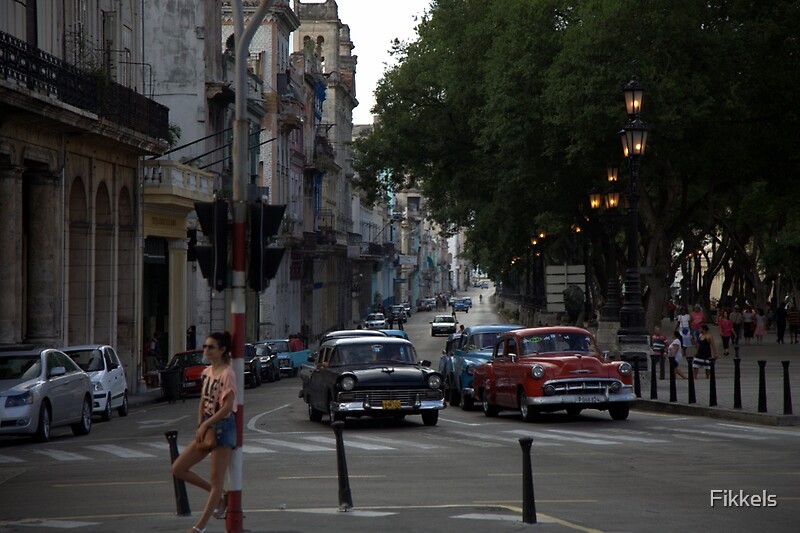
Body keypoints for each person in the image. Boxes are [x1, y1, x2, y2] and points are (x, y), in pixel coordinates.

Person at [172, 332, 238, 533]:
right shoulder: (207, 372)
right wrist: (200, 423)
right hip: (207, 427)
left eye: (211, 347)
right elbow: (203, 400)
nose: (206, 350)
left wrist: (206, 424)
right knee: (178, 468)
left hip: (223, 427)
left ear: (222, 350)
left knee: (216, 479)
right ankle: (220, 496)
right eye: (205, 346)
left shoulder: (228, 373)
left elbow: (227, 407)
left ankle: (199, 527)